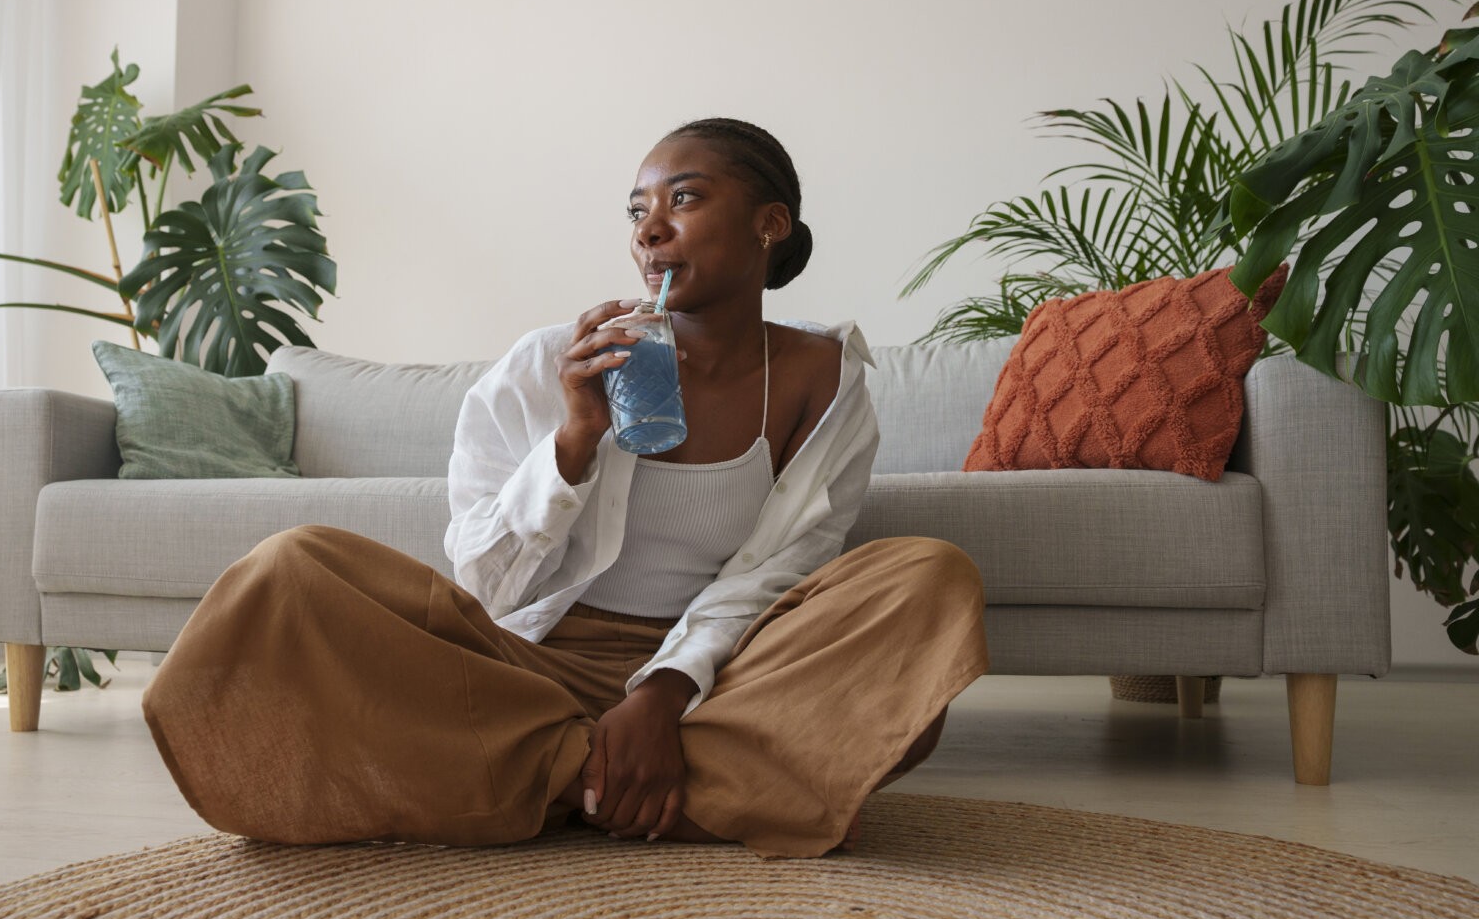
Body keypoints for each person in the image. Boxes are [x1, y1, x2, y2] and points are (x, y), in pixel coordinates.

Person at [142, 117, 988, 861]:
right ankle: (698, 787)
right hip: (527, 669)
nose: (649, 229)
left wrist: (663, 689)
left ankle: (547, 779)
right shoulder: (550, 362)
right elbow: (484, 582)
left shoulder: (824, 379)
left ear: (770, 224)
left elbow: (779, 569)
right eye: (637, 210)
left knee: (927, 577)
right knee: (289, 571)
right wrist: (575, 437)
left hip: (724, 673)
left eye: (683, 199)